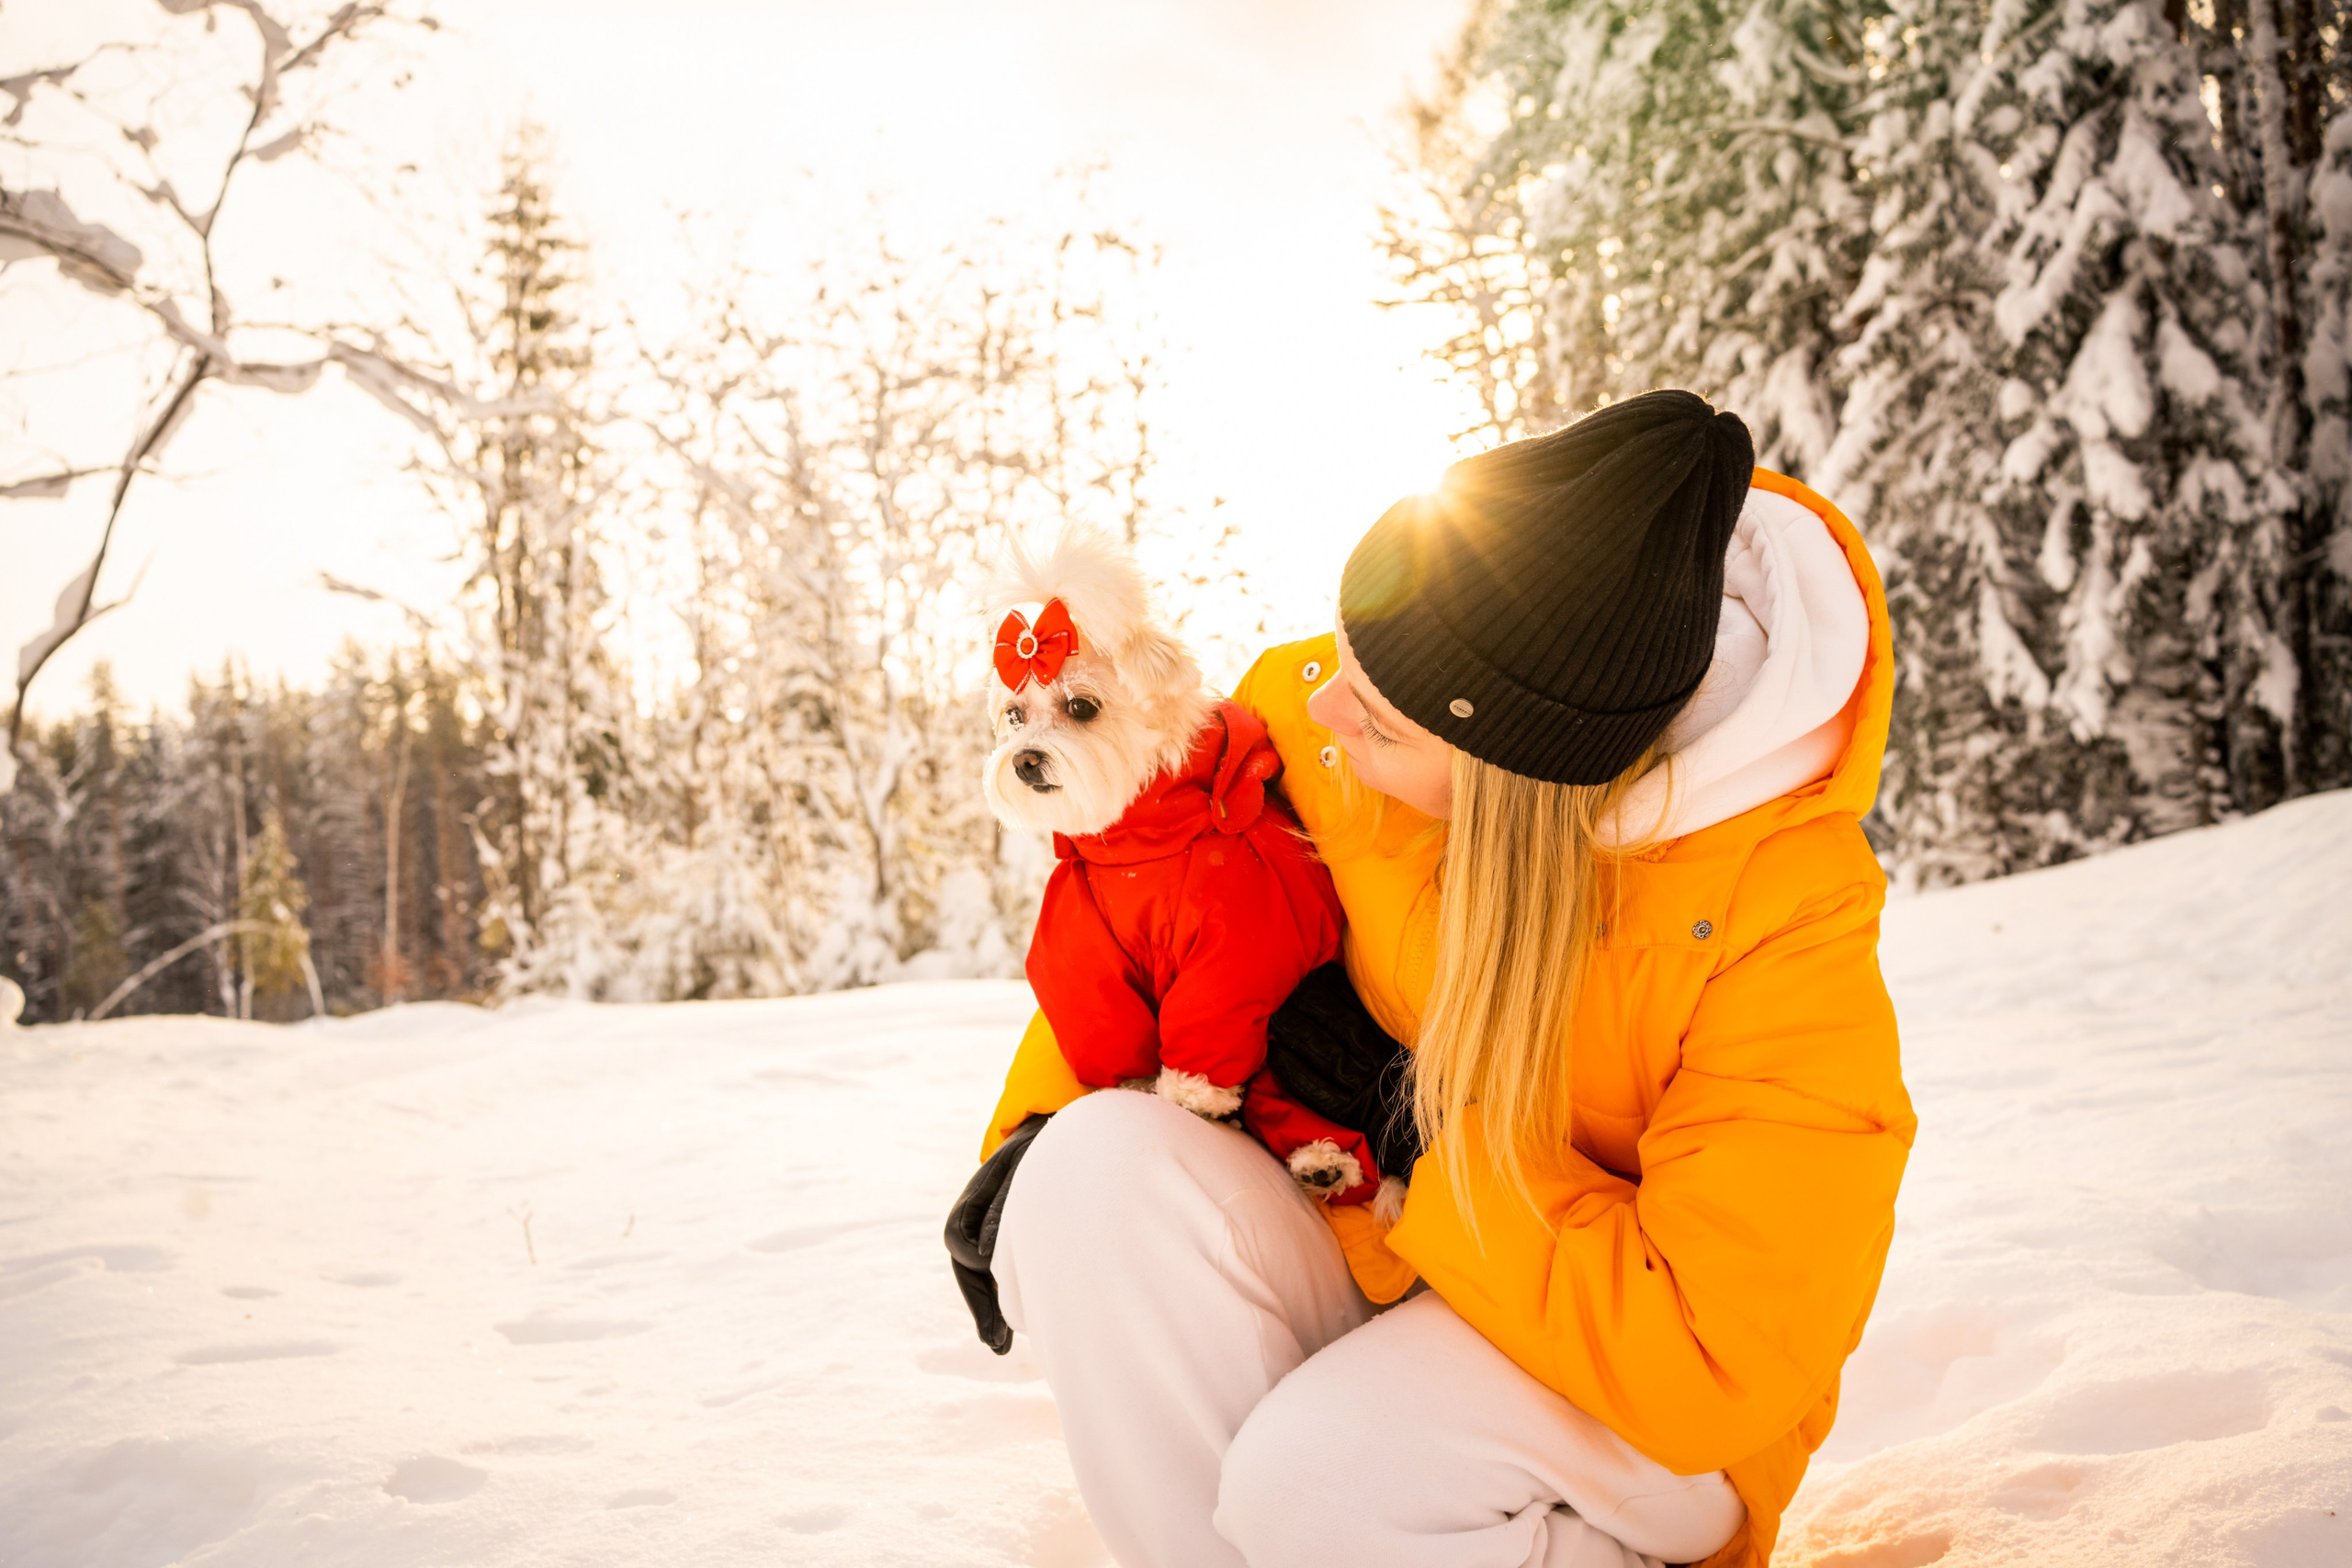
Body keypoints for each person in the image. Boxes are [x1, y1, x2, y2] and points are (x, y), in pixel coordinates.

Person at [972, 389, 1915, 1568]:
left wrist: (1430, 1157)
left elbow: (1708, 1355)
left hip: (1651, 1402)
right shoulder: (1315, 724)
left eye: (1375, 715)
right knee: (1093, 1171)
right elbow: (1148, 905)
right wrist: (1036, 1130)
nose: (1317, 705)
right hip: (1396, 1259)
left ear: (1507, 774)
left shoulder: (1784, 914)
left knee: (1324, 1479)